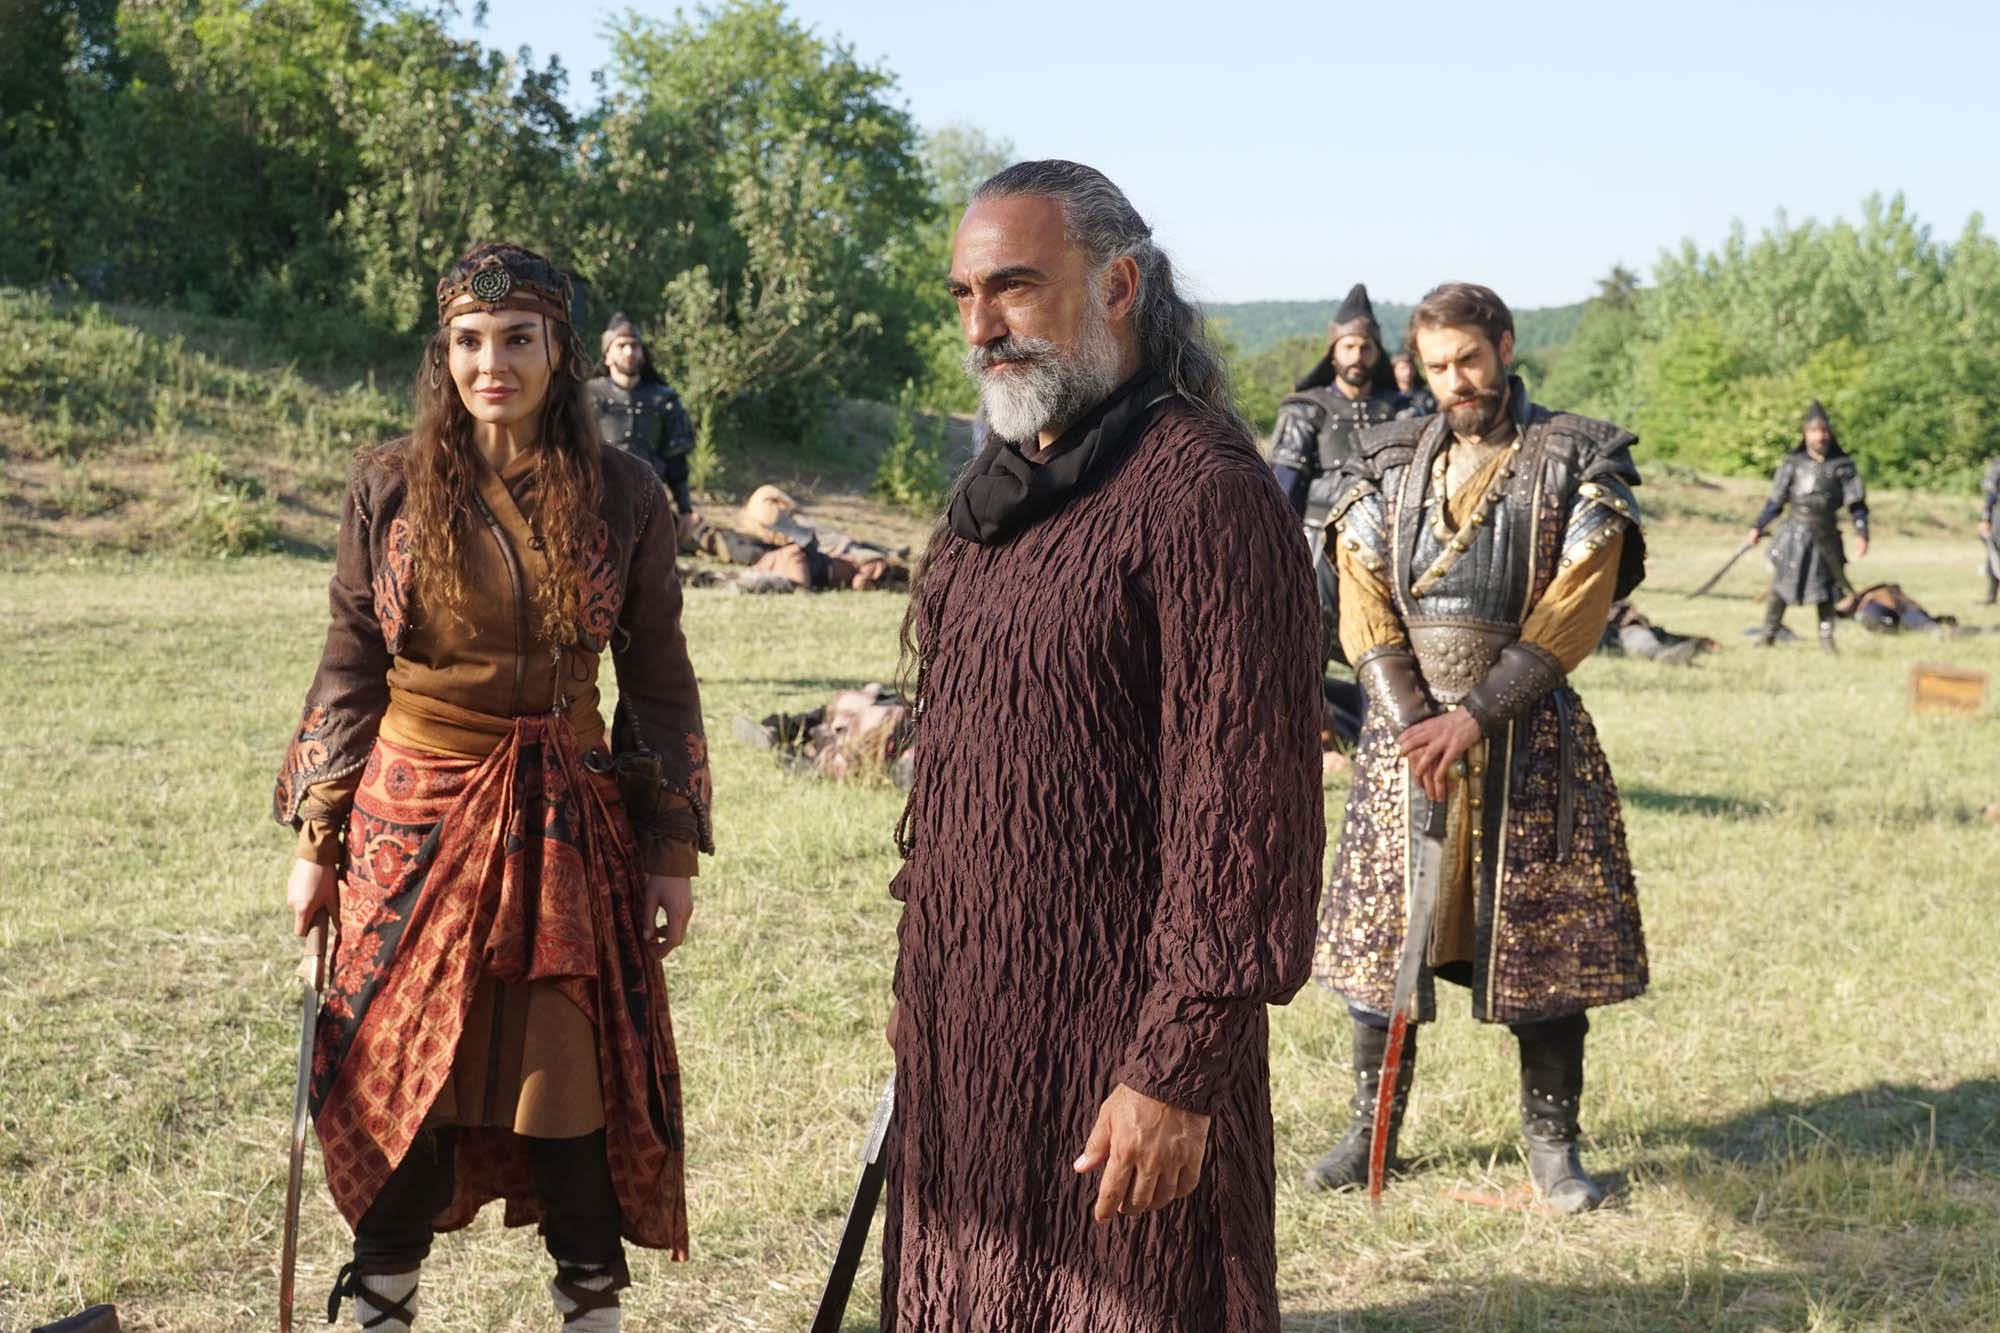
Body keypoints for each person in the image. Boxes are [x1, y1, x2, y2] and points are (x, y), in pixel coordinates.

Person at [883, 161, 1323, 1331]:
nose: (980, 327)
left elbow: (1244, 812)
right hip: (971, 1018)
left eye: (1014, 288)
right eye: (963, 295)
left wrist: (1176, 1070)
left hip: (1119, 1033)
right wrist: (924, 1001)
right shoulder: (997, 495)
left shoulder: (1203, 494)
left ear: (1118, 286)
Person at [273, 244, 711, 1332]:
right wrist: (317, 840)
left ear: (561, 351)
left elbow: (657, 679)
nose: (492, 363)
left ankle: (589, 1309)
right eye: (469, 341)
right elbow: (349, 663)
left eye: (519, 339)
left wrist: (668, 852)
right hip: (408, 820)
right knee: (395, 1081)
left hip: (565, 824)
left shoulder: (626, 492)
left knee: (570, 1092)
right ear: (445, 353)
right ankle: (381, 1303)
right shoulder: (388, 484)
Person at [1309, 282, 1647, 1214]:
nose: (1455, 380)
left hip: (1529, 740)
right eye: (1437, 365)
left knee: (1543, 956)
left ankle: (1553, 1148)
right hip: (1403, 739)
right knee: (1386, 948)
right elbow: (1361, 593)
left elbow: (1577, 600)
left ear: (1504, 346)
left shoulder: (1576, 459)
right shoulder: (1384, 460)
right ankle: (1369, 1132)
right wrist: (1410, 713)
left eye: (1469, 359)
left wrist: (1475, 717)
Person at [1748, 400, 1869, 650]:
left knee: (1825, 589)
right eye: (1814, 431)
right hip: (1794, 533)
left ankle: (1826, 640)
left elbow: (1857, 504)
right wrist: (1758, 527)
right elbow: (1776, 501)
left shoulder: (1843, 465)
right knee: (1781, 585)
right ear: (1805, 433)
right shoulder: (1793, 464)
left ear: (1829, 433)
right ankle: (1768, 635)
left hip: (1826, 534)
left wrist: (1862, 532)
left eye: (1823, 431)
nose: (1819, 436)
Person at [585, 313, 698, 515]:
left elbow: (676, 461)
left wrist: (685, 510)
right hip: (596, 503)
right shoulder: (585, 396)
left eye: (635, 346)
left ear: (643, 353)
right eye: (621, 345)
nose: (629, 352)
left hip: (648, 503)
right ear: (607, 355)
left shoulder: (663, 399)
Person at [1599, 600, 1717, 664]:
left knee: (1639, 634)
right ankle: (1665, 655)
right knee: (1636, 637)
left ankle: (1681, 649)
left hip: (1622, 623)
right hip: (1601, 628)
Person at [1392, 351, 1437, 416]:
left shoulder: (1425, 395)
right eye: (1403, 368)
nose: (1408, 372)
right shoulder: (1389, 398)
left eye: (1410, 368)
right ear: (1394, 371)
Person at [1980, 454, 1999, 605]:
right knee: (1995, 557)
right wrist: (1985, 519)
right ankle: (1991, 595)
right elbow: (1991, 495)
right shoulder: (1997, 465)